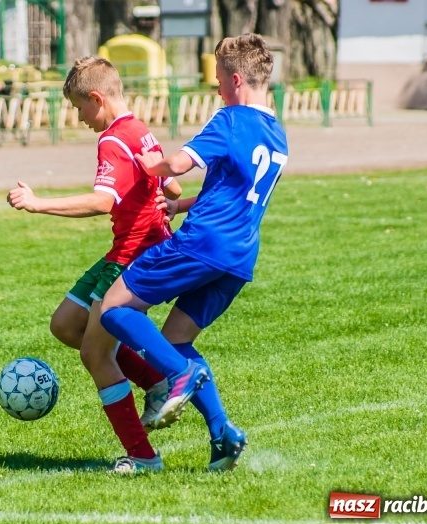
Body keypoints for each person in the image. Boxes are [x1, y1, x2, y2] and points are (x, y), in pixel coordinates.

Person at [99, 33, 289, 471]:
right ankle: (223, 434)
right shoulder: (277, 134)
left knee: (114, 308)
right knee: (177, 340)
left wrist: (148, 165)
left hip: (202, 244)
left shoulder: (230, 119)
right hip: (240, 257)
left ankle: (176, 377)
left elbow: (180, 164)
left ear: (237, 80)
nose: (218, 89)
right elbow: (240, 192)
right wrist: (180, 204)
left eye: (220, 80)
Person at [7, 56, 183, 474]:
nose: (79, 117)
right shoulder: (139, 130)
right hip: (127, 250)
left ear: (98, 98)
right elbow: (171, 182)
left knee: (93, 353)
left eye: (79, 107)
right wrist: (161, 197)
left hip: (134, 256)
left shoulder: (113, 140)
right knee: (66, 325)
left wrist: (37, 204)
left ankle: (143, 458)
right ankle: (155, 382)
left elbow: (103, 200)